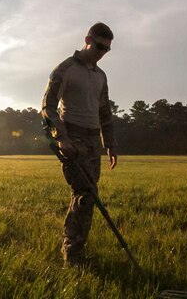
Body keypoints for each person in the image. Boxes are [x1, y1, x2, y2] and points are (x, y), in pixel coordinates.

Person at [41, 22, 118, 268]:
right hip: (72, 137)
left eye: (107, 49)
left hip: (94, 140)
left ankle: (77, 249)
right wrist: (61, 137)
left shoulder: (101, 76)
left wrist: (110, 144)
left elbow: (105, 111)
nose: (101, 52)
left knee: (89, 195)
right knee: (84, 195)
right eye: (98, 46)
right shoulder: (65, 69)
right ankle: (72, 256)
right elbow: (47, 106)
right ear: (87, 39)